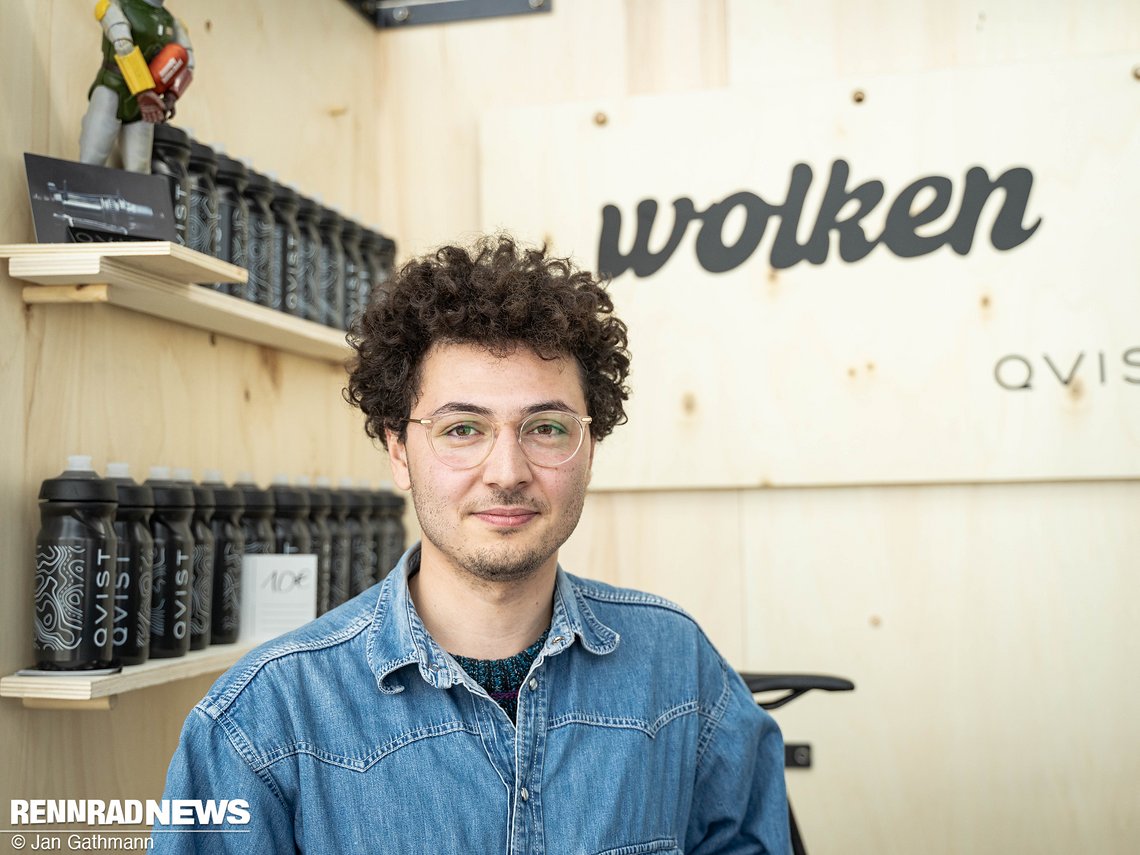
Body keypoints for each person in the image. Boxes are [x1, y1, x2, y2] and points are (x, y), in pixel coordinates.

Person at [155, 234, 790, 853]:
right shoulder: (263, 720)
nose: (508, 471)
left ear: (590, 445)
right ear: (399, 451)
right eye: (462, 428)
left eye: (545, 427)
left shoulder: (678, 667)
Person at [79, 0, 193, 173]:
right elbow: (122, 44)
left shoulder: (172, 22)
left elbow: (187, 64)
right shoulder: (116, 6)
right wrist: (142, 89)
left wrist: (172, 94)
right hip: (114, 87)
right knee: (92, 155)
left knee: (140, 168)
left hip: (147, 101)